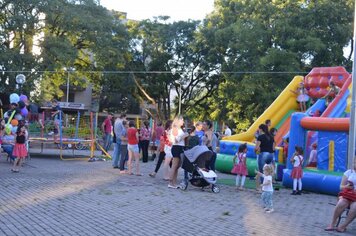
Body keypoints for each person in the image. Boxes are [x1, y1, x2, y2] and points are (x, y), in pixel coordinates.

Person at [325, 158, 356, 232]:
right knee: (341, 203)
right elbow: (341, 186)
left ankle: (343, 226)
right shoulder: (349, 172)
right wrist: (347, 186)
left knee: (355, 207)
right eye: (355, 162)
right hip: (347, 195)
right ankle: (332, 224)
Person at [169, 116, 188, 189]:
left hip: (180, 147)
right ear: (178, 121)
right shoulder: (176, 129)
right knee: (174, 166)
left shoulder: (179, 129)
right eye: (182, 120)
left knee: (177, 166)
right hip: (177, 147)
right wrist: (184, 136)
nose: (183, 122)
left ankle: (174, 182)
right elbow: (176, 140)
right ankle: (171, 182)